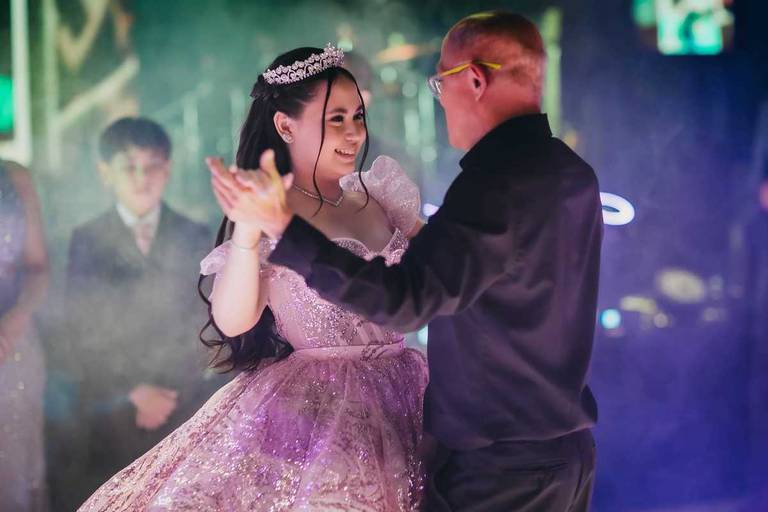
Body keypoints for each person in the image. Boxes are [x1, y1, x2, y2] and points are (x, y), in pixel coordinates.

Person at [237, 12, 603, 512]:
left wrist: (288, 232)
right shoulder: (571, 172)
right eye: (337, 118)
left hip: (502, 469)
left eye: (440, 82)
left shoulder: (493, 184)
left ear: (475, 81)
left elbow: (407, 299)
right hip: (567, 454)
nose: (441, 99)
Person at [79, 45, 428, 511]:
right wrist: (247, 231)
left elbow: (444, 271)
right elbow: (233, 321)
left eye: (358, 116)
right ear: (286, 126)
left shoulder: (380, 194)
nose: (354, 133)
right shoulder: (269, 210)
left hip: (411, 394)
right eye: (336, 119)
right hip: (320, 416)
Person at [62, 117, 219, 506]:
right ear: (105, 173)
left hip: (184, 401)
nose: (141, 177)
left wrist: (176, 390)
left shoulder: (196, 234)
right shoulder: (86, 240)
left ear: (168, 169)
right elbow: (81, 326)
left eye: (152, 166)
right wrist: (134, 390)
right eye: (128, 167)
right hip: (115, 405)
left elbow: (203, 318)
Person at [0, 160, 50, 511]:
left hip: (12, 346)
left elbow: (38, 267)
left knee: (16, 474)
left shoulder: (14, 177)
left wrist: (15, 320)